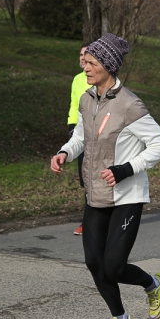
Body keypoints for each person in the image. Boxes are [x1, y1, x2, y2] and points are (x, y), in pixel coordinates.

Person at [50, 33, 160, 319]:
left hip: (127, 196)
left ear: (107, 65)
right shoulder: (87, 98)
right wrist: (66, 152)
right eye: (85, 62)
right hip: (96, 193)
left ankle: (153, 285)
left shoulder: (130, 105)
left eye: (90, 63)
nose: (85, 67)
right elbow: (81, 135)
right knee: (94, 262)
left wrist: (126, 169)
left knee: (114, 265)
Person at [68, 43, 91, 236]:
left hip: (96, 131)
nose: (82, 58)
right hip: (78, 130)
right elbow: (74, 104)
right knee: (85, 179)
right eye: (80, 55)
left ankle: (89, 222)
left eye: (86, 55)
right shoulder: (77, 79)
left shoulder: (97, 78)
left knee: (92, 177)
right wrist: (71, 125)